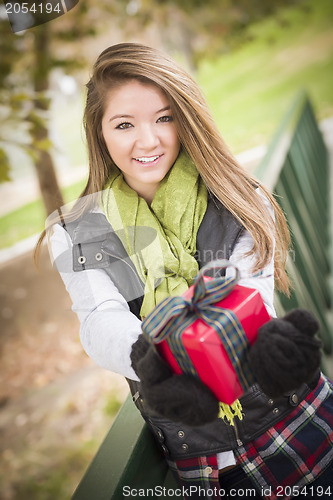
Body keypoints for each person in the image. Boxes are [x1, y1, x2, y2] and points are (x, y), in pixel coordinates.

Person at [36, 43, 333, 499]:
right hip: (204, 465)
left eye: (164, 117)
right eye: (124, 124)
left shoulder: (237, 196)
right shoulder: (78, 233)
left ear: (186, 117)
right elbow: (99, 319)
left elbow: (248, 295)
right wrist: (153, 360)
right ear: (99, 133)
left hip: (299, 425)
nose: (148, 140)